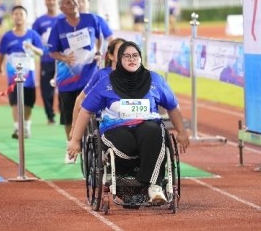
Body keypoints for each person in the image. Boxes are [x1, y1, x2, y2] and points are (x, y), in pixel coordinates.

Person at [67, 41, 190, 204]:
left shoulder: (155, 80)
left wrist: (181, 132)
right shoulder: (106, 83)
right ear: (119, 59)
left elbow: (173, 107)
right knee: (130, 144)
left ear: (140, 58)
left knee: (154, 132)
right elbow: (86, 110)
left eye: (135, 56)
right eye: (126, 56)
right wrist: (75, 140)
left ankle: (153, 186)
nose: (131, 59)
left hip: (148, 125)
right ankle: (136, 178)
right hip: (116, 127)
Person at [47, 0, 102, 164]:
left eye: (75, 1)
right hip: (68, 78)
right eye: (69, 2)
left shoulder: (91, 19)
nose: (74, 4)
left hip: (90, 74)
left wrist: (99, 52)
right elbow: (52, 51)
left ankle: (95, 146)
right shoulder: (58, 26)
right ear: (62, 8)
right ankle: (71, 147)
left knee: (93, 111)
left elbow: (100, 39)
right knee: (69, 113)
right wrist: (65, 59)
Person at [0, 5, 44, 139]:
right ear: (12, 17)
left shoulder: (32, 35)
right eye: (16, 14)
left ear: (25, 17)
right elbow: (2, 52)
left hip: (29, 74)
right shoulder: (7, 36)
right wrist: (0, 66)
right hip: (13, 73)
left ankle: (27, 127)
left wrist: (32, 47)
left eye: (21, 14)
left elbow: (41, 52)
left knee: (29, 102)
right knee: (15, 101)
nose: (18, 16)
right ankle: (17, 128)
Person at [69, 38, 126, 139]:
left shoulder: (135, 75)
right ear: (111, 55)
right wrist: (74, 128)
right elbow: (80, 100)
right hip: (107, 119)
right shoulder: (101, 75)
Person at [32, 0, 62, 125]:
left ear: (57, 1)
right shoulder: (39, 22)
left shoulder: (63, 19)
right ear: (45, 2)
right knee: (46, 90)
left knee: (64, 88)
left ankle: (64, 113)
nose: (50, 2)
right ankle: (50, 116)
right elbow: (34, 40)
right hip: (46, 61)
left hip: (62, 61)